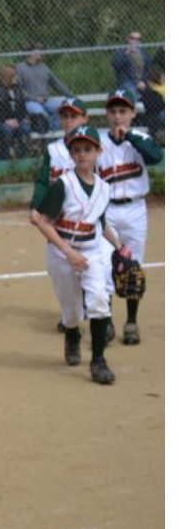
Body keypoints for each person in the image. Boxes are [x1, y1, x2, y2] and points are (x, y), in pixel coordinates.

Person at [35, 125, 124, 385]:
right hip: (61, 253)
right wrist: (68, 252)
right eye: (76, 150)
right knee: (73, 311)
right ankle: (72, 333)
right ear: (71, 154)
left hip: (92, 251)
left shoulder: (104, 188)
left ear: (98, 152)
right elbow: (43, 222)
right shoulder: (62, 185)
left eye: (87, 149)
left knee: (99, 300)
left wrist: (119, 246)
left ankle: (98, 360)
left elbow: (100, 222)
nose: (82, 154)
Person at [28, 97, 110, 336]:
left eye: (73, 116)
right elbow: (44, 180)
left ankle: (103, 320)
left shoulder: (95, 148)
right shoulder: (54, 150)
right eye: (64, 116)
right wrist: (36, 206)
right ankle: (72, 316)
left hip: (90, 216)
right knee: (66, 272)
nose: (68, 120)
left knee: (98, 274)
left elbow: (100, 183)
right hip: (60, 216)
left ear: (85, 118)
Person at [98, 89, 163, 345]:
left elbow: (156, 157)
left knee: (133, 269)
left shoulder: (140, 138)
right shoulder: (98, 143)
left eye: (123, 111)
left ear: (133, 113)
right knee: (104, 266)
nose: (117, 117)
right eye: (113, 111)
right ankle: (106, 321)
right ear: (107, 115)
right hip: (107, 211)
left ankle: (131, 322)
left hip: (135, 210)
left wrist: (130, 137)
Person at [15, 42, 72, 132]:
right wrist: (35, 98)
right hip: (29, 101)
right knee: (40, 112)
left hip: (46, 100)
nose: (42, 52)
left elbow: (55, 83)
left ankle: (52, 132)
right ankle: (43, 130)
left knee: (61, 108)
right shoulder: (20, 68)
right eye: (39, 50)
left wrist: (70, 95)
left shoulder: (43, 66)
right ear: (30, 53)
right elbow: (18, 89)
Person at [0, 64, 32, 160]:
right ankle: (4, 159)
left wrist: (17, 120)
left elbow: (23, 109)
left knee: (25, 129)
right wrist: (5, 121)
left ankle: (23, 158)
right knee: (6, 130)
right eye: (14, 76)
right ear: (7, 77)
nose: (17, 77)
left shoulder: (17, 89)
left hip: (15, 121)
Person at [111, 30, 152, 95]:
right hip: (127, 82)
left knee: (154, 92)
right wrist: (126, 54)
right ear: (128, 39)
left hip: (142, 82)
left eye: (138, 39)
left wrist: (143, 81)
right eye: (133, 38)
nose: (135, 41)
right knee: (131, 91)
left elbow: (149, 69)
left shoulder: (144, 53)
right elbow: (115, 65)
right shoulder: (121, 52)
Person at [138, 65, 165, 145]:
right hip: (159, 113)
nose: (164, 78)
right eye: (163, 76)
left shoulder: (160, 87)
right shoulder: (152, 88)